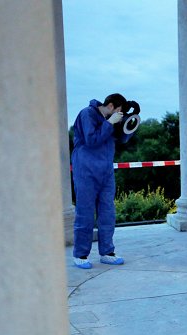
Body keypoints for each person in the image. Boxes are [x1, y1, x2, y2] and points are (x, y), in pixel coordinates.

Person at [71, 93, 134, 269]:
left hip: (106, 172)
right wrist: (109, 123)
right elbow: (91, 140)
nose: (118, 115)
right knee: (85, 213)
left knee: (107, 213)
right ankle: (80, 254)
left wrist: (129, 121)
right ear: (111, 106)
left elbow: (122, 139)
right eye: (119, 112)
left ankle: (107, 252)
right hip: (86, 170)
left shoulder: (111, 120)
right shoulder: (87, 114)